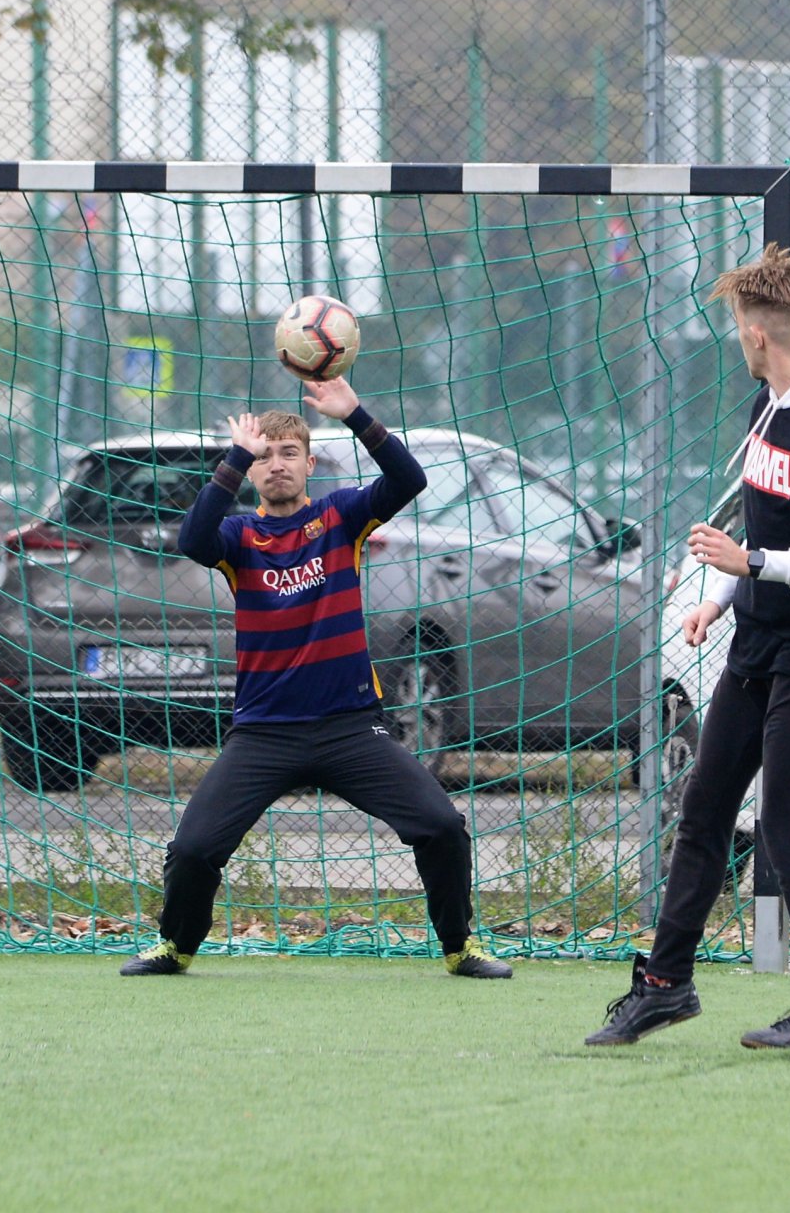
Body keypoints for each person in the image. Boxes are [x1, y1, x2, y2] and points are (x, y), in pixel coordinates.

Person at [120, 375, 511, 980]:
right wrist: (234, 456)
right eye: (265, 456)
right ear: (252, 470)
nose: (276, 465)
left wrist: (354, 411)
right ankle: (176, 946)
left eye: (289, 453)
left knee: (442, 827)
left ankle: (460, 947)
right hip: (264, 735)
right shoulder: (238, 537)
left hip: (350, 730)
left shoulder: (340, 517)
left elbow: (410, 480)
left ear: (309, 464)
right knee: (194, 850)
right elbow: (192, 538)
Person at [586, 244, 790, 1052]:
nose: (736, 340)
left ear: (756, 334)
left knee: (785, 819)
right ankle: (665, 984)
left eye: (736, 329)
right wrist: (719, 596)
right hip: (758, 636)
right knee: (705, 808)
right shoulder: (770, 409)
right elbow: (758, 523)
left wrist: (752, 566)